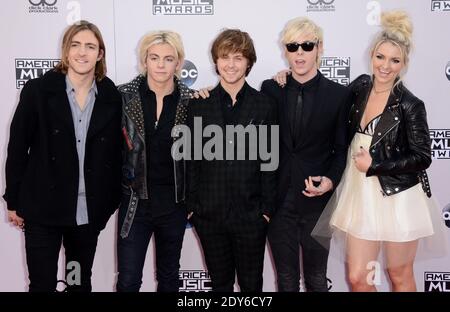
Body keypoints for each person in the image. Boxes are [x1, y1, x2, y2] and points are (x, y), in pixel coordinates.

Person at [312, 10, 447, 292]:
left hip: (398, 195)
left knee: (399, 274)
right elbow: (328, 98)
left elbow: (423, 156)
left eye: (395, 60)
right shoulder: (360, 87)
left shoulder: (410, 104)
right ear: (372, 55)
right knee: (359, 278)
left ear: (404, 64)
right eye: (381, 57)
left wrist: (376, 165)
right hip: (359, 194)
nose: (385, 66)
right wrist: (288, 76)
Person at [3, 20, 122, 292]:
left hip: (85, 216)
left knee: (78, 283)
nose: (82, 52)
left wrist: (108, 202)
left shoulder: (111, 96)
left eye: (90, 46)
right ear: (66, 51)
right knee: (42, 284)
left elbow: (116, 155)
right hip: (43, 211)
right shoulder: (38, 92)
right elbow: (18, 148)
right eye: (76, 45)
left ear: (100, 54)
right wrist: (13, 199)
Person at [260, 17, 350, 292]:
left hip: (318, 203)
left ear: (319, 48)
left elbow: (341, 149)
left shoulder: (339, 95)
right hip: (279, 201)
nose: (300, 52)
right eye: (293, 45)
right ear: (285, 50)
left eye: (307, 45)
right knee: (286, 280)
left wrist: (330, 182)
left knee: (317, 278)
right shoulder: (272, 89)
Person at [186, 29, 277, 292]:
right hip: (209, 215)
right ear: (216, 61)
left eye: (238, 57)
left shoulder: (264, 105)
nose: (231, 64)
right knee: (220, 285)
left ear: (249, 62)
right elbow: (191, 161)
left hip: (251, 215)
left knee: (251, 286)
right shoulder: (199, 105)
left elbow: (269, 162)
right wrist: (193, 207)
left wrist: (266, 210)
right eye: (225, 57)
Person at [116, 31, 194, 292]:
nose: (161, 65)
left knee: (170, 279)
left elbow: (199, 157)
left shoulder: (191, 101)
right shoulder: (123, 97)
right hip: (134, 203)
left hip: (174, 204)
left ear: (179, 63)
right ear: (144, 60)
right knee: (128, 280)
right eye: (154, 57)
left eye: (168, 58)